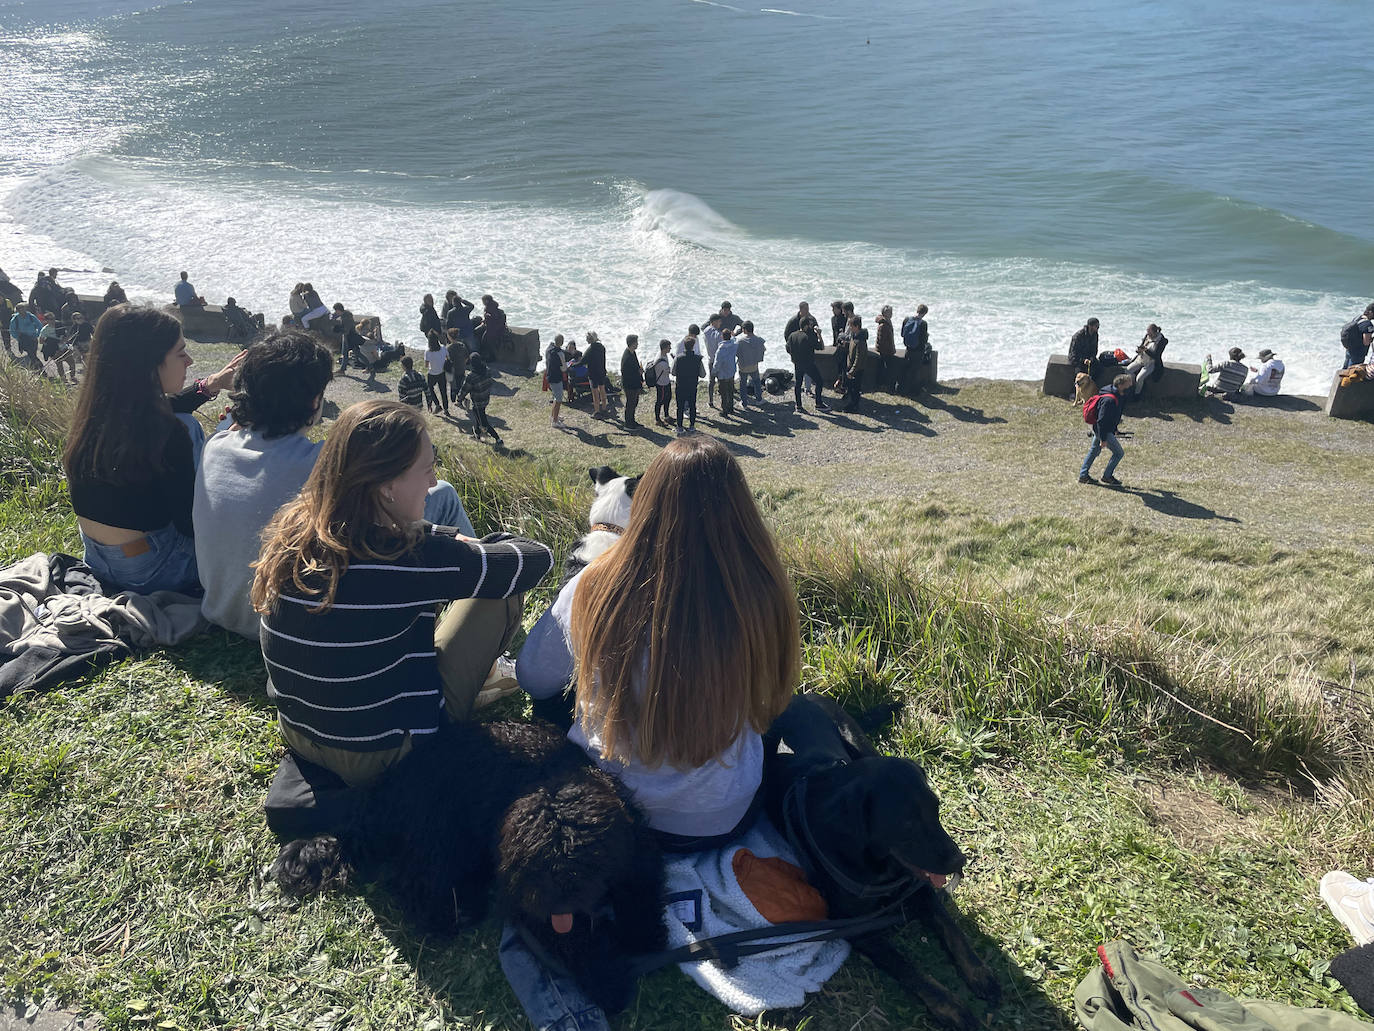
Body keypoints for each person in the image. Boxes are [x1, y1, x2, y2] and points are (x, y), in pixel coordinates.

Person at [515, 434, 799, 850]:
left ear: (646, 504)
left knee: (552, 696)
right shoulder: (765, 589)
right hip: (727, 815)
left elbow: (532, 678)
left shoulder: (593, 583)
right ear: (741, 512)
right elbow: (772, 699)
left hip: (611, 810)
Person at [252, 400, 554, 787]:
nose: (433, 483)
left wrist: (442, 540)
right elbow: (535, 560)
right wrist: (455, 542)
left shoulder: (295, 527)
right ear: (386, 486)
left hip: (300, 732)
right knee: (498, 593)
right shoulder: (406, 555)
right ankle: (486, 678)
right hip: (380, 756)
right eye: (427, 469)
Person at [196, 331, 474, 639]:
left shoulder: (215, 444)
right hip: (279, 622)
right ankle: (477, 588)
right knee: (443, 494)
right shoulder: (324, 463)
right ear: (315, 401)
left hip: (221, 610)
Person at [62, 306, 243, 594]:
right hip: (151, 571)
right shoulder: (169, 436)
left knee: (186, 421)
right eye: (181, 353)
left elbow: (160, 406)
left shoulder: (93, 413)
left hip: (98, 559)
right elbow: (194, 525)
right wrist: (227, 444)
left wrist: (210, 385)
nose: (190, 360)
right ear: (149, 364)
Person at [1079, 374, 1132, 486]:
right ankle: (1107, 477)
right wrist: (1103, 439)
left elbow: (1112, 416)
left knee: (1094, 450)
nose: (1131, 386)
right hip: (1102, 429)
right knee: (1118, 453)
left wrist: (1115, 429)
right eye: (1128, 384)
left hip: (1099, 428)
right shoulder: (1109, 400)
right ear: (1121, 385)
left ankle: (1083, 476)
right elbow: (1102, 421)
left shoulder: (1115, 393)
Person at [787, 320, 828, 413]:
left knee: (798, 384)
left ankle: (798, 405)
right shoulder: (808, 337)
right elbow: (821, 347)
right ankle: (818, 403)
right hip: (808, 363)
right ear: (805, 326)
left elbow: (788, 348)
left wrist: (794, 356)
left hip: (797, 363)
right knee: (819, 381)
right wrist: (819, 334)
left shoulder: (792, 335)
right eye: (809, 325)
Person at [672, 335, 705, 432]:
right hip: (692, 385)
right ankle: (692, 426)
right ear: (693, 346)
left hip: (681, 386)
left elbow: (673, 372)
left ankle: (679, 427)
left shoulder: (678, 358)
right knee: (692, 405)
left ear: (684, 346)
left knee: (680, 406)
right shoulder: (698, 359)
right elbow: (703, 374)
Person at [1126, 324, 1168, 397]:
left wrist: (1146, 350)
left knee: (1139, 378)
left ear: (1155, 333)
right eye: (1147, 332)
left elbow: (1156, 356)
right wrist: (1139, 350)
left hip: (1151, 362)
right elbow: (1142, 345)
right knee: (1127, 370)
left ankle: (1137, 394)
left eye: (1150, 333)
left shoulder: (1162, 341)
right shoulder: (1147, 336)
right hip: (1141, 359)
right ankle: (1132, 386)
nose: (1148, 334)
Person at [900, 303, 931, 391]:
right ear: (925, 313)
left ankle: (902, 388)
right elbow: (923, 340)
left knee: (906, 369)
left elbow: (902, 334)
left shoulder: (906, 319)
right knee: (915, 371)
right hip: (918, 350)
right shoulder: (923, 323)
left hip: (908, 348)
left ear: (917, 310)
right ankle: (913, 391)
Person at [841, 315, 868, 413]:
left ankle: (854, 406)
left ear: (857, 326)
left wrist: (851, 372)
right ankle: (852, 403)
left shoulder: (860, 341)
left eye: (851, 326)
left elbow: (858, 359)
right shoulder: (854, 336)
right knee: (851, 388)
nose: (850, 328)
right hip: (851, 367)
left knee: (855, 389)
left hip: (856, 369)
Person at [735, 321, 765, 408]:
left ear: (745, 330)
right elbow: (763, 349)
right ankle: (759, 399)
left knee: (743, 384)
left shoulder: (740, 341)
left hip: (743, 366)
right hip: (754, 365)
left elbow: (737, 353)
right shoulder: (759, 340)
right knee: (756, 382)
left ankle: (744, 403)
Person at [423, 330, 451, 415]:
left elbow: (426, 366)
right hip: (442, 373)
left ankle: (437, 405)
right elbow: (448, 358)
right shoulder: (443, 348)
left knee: (430, 389)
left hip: (432, 373)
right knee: (443, 392)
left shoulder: (428, 351)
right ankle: (446, 410)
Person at [620, 334, 643, 429]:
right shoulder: (627, 356)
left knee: (634, 402)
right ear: (632, 343)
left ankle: (632, 421)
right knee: (630, 403)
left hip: (635, 383)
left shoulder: (632, 353)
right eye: (636, 342)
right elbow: (625, 372)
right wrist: (638, 372)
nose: (637, 344)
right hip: (629, 384)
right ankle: (628, 424)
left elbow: (636, 366)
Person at [584, 331, 609, 417]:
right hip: (601, 371)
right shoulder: (601, 347)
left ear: (590, 339)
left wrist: (572, 365)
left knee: (595, 392)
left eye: (587, 338)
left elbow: (583, 360)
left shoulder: (590, 349)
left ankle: (597, 411)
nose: (586, 339)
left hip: (593, 373)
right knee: (602, 390)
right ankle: (604, 408)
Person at [714, 329, 739, 416]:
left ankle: (725, 411)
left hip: (722, 374)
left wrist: (714, 372)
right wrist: (733, 336)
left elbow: (717, 363)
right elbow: (735, 340)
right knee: (731, 391)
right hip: (731, 372)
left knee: (724, 393)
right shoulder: (734, 346)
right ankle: (731, 408)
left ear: (722, 337)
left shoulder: (720, 350)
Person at [1341, 304, 1374, 369]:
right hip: (1358, 353)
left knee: (1345, 369)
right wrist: (1372, 338)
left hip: (1350, 349)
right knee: (1352, 372)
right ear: (1370, 312)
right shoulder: (1367, 324)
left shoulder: (1358, 317)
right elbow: (1366, 342)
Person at [544, 337, 567, 429]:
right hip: (557, 378)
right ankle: (555, 421)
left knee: (555, 397)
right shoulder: (560, 353)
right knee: (558, 400)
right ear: (562, 342)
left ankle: (554, 416)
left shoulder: (549, 349)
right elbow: (564, 368)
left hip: (549, 376)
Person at [649, 339, 673, 427]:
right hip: (662, 383)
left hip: (666, 381)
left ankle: (666, 416)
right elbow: (670, 371)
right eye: (668, 347)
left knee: (668, 398)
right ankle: (657, 419)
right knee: (660, 401)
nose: (670, 348)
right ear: (664, 348)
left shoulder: (663, 355)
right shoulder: (661, 361)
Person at [702, 313, 724, 408]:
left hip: (710, 360)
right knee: (721, 381)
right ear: (714, 322)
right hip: (718, 361)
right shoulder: (718, 335)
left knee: (711, 381)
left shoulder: (706, 331)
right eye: (719, 321)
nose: (721, 323)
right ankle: (723, 401)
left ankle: (710, 401)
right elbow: (721, 349)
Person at [477, 294, 507, 359]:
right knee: (489, 343)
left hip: (491, 329)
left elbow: (491, 319)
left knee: (485, 342)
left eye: (483, 301)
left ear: (487, 301)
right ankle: (490, 356)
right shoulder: (495, 307)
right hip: (498, 329)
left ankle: (491, 357)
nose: (482, 303)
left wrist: (485, 319)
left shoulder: (489, 308)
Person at [874, 305, 896, 391]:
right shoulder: (883, 325)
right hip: (885, 351)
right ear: (884, 313)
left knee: (885, 368)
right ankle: (882, 384)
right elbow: (881, 340)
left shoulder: (887, 321)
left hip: (887, 350)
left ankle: (883, 384)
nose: (891, 314)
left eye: (891, 312)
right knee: (884, 368)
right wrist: (888, 349)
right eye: (889, 312)